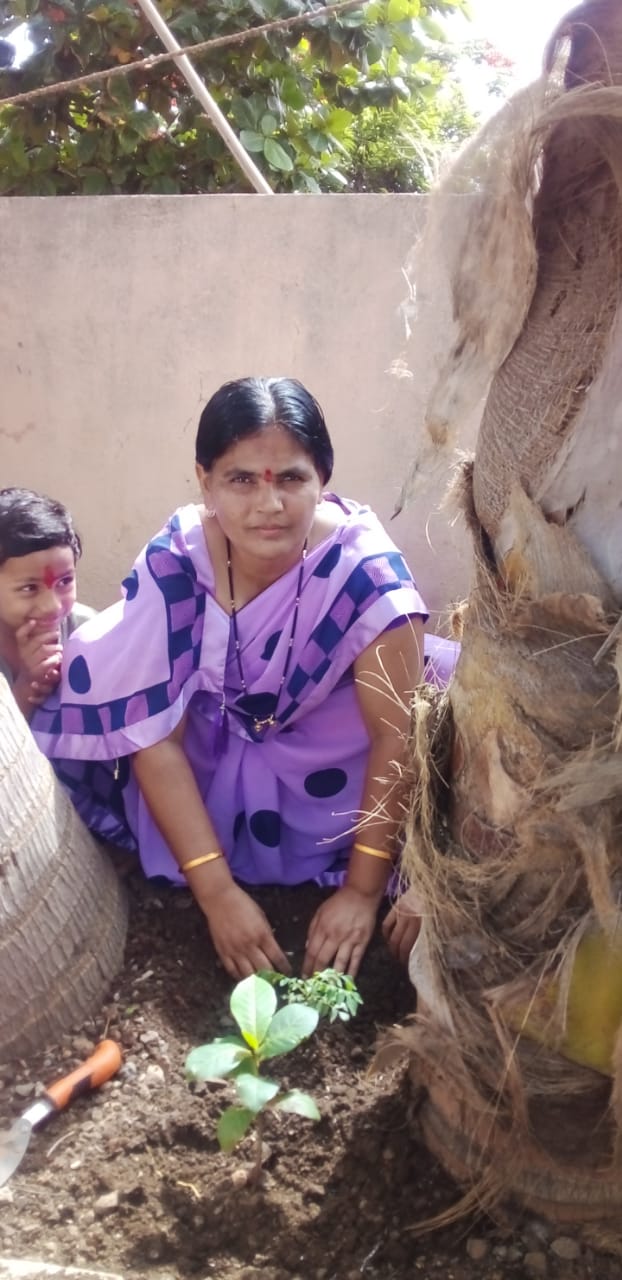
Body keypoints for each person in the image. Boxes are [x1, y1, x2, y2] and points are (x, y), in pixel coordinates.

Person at [34, 378, 458, 979]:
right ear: (204, 481)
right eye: (241, 480)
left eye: (290, 477)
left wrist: (362, 893)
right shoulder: (178, 559)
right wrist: (217, 895)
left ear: (323, 478)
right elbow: (154, 732)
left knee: (445, 735)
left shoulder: (366, 573)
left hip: (334, 758)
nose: (269, 504)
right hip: (213, 746)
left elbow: (395, 738)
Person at [0, 488, 94, 721]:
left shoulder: (90, 633)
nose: (52, 606)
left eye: (65, 581)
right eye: (29, 588)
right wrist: (26, 689)